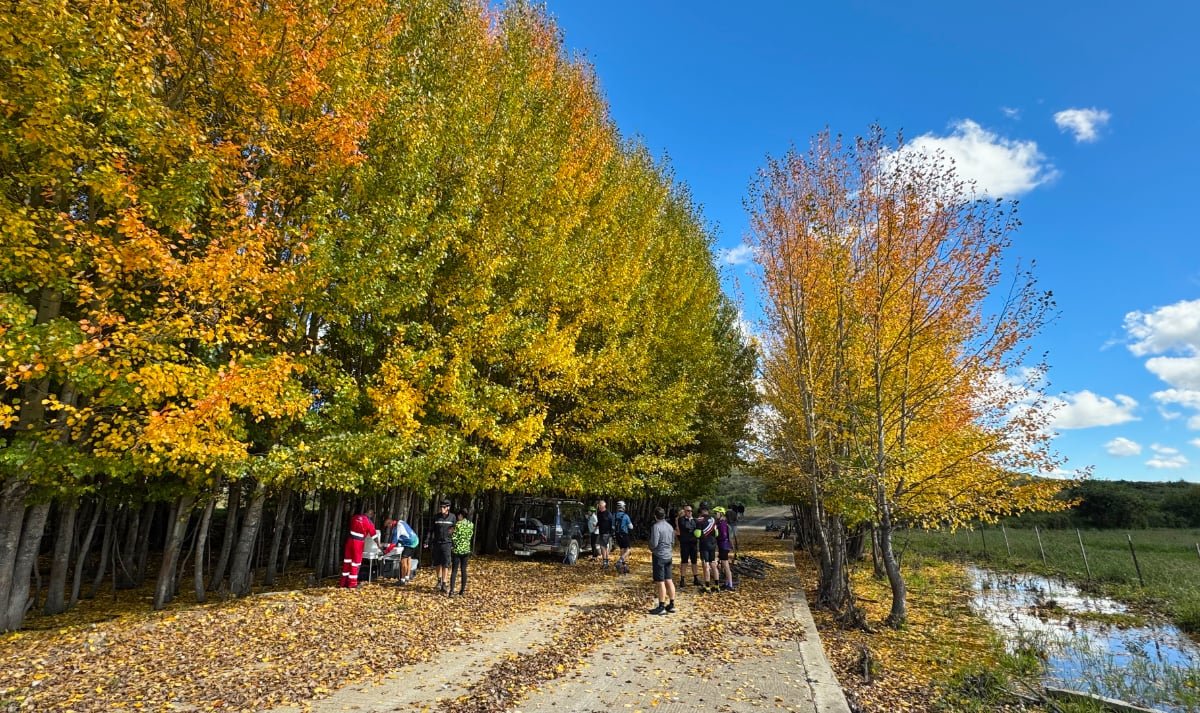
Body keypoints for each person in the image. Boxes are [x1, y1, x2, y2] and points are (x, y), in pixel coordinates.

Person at [340, 508, 378, 589]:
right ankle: (352, 584)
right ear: (371, 514)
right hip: (358, 543)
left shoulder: (355, 517)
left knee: (347, 561)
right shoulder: (369, 522)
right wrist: (379, 545)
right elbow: (374, 536)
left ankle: (343, 583)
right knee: (355, 563)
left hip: (349, 541)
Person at [648, 507, 676, 615]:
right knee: (669, 579)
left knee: (660, 582)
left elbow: (654, 543)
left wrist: (650, 547)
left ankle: (661, 606)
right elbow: (673, 542)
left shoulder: (656, 527)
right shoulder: (670, 526)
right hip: (668, 555)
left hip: (659, 556)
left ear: (655, 516)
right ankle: (672, 604)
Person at [425, 500, 456, 593]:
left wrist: (454, 542)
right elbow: (431, 530)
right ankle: (439, 580)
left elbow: (454, 530)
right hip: (437, 543)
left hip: (447, 543)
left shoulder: (452, 517)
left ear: (448, 508)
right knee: (437, 563)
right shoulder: (436, 517)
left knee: (445, 564)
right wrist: (427, 540)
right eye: (441, 507)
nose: (442, 509)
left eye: (444, 507)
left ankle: (444, 583)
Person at [382, 516, 419, 583]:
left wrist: (386, 551)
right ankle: (407, 577)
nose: (389, 528)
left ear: (390, 523)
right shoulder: (400, 521)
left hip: (410, 543)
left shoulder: (397, 529)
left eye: (388, 526)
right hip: (415, 540)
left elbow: (393, 544)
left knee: (403, 560)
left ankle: (402, 580)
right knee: (408, 558)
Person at [448, 507, 474, 597]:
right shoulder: (471, 524)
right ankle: (462, 590)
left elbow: (454, 537)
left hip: (457, 550)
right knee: (464, 570)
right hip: (466, 550)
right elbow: (470, 536)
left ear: (460, 515)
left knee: (454, 571)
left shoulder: (457, 525)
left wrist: (451, 534)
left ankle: (451, 591)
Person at [694, 503, 718, 593]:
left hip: (704, 545)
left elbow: (698, 534)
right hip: (713, 544)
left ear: (702, 510)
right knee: (713, 564)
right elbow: (717, 533)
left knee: (706, 565)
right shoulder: (713, 519)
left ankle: (707, 587)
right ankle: (717, 585)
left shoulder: (699, 520)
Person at [674, 503, 700, 587]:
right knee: (684, 561)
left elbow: (697, 528)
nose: (690, 512)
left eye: (691, 511)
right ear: (684, 512)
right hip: (685, 544)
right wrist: (693, 528)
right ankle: (682, 579)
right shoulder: (681, 520)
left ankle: (696, 578)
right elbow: (686, 527)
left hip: (693, 544)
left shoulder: (694, 520)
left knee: (694, 561)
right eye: (688, 511)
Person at [714, 506, 735, 591]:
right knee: (724, 564)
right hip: (723, 545)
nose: (715, 515)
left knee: (726, 565)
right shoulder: (721, 522)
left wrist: (716, 535)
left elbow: (723, 535)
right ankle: (727, 583)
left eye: (716, 513)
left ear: (721, 513)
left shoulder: (722, 523)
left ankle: (730, 584)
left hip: (724, 545)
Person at [612, 501, 633, 574]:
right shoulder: (626, 516)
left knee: (622, 549)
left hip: (617, 535)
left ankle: (623, 568)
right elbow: (631, 527)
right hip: (624, 534)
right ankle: (620, 561)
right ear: (623, 507)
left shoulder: (614, 515)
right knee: (628, 550)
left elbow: (613, 526)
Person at [595, 500, 614, 569]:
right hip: (601, 532)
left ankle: (605, 562)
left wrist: (611, 532)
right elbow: (599, 521)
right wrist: (596, 525)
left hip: (606, 532)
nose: (599, 507)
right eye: (599, 506)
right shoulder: (599, 513)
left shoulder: (608, 514)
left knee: (602, 547)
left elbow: (612, 523)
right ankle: (606, 562)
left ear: (604, 506)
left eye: (600, 505)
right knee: (604, 547)